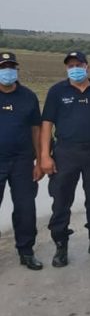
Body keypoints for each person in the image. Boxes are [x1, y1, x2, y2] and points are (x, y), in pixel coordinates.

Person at [40, 51, 90, 267]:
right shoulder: (57, 91)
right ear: (66, 68)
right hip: (66, 152)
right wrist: (45, 155)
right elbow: (47, 124)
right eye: (70, 65)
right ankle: (61, 245)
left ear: (87, 67)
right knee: (61, 199)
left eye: (78, 65)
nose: (75, 68)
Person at [0, 51, 44, 270]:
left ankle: (26, 251)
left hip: (22, 161)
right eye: (3, 67)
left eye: (11, 67)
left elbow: (36, 129)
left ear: (16, 70)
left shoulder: (28, 97)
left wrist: (39, 160)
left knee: (25, 208)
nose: (7, 71)